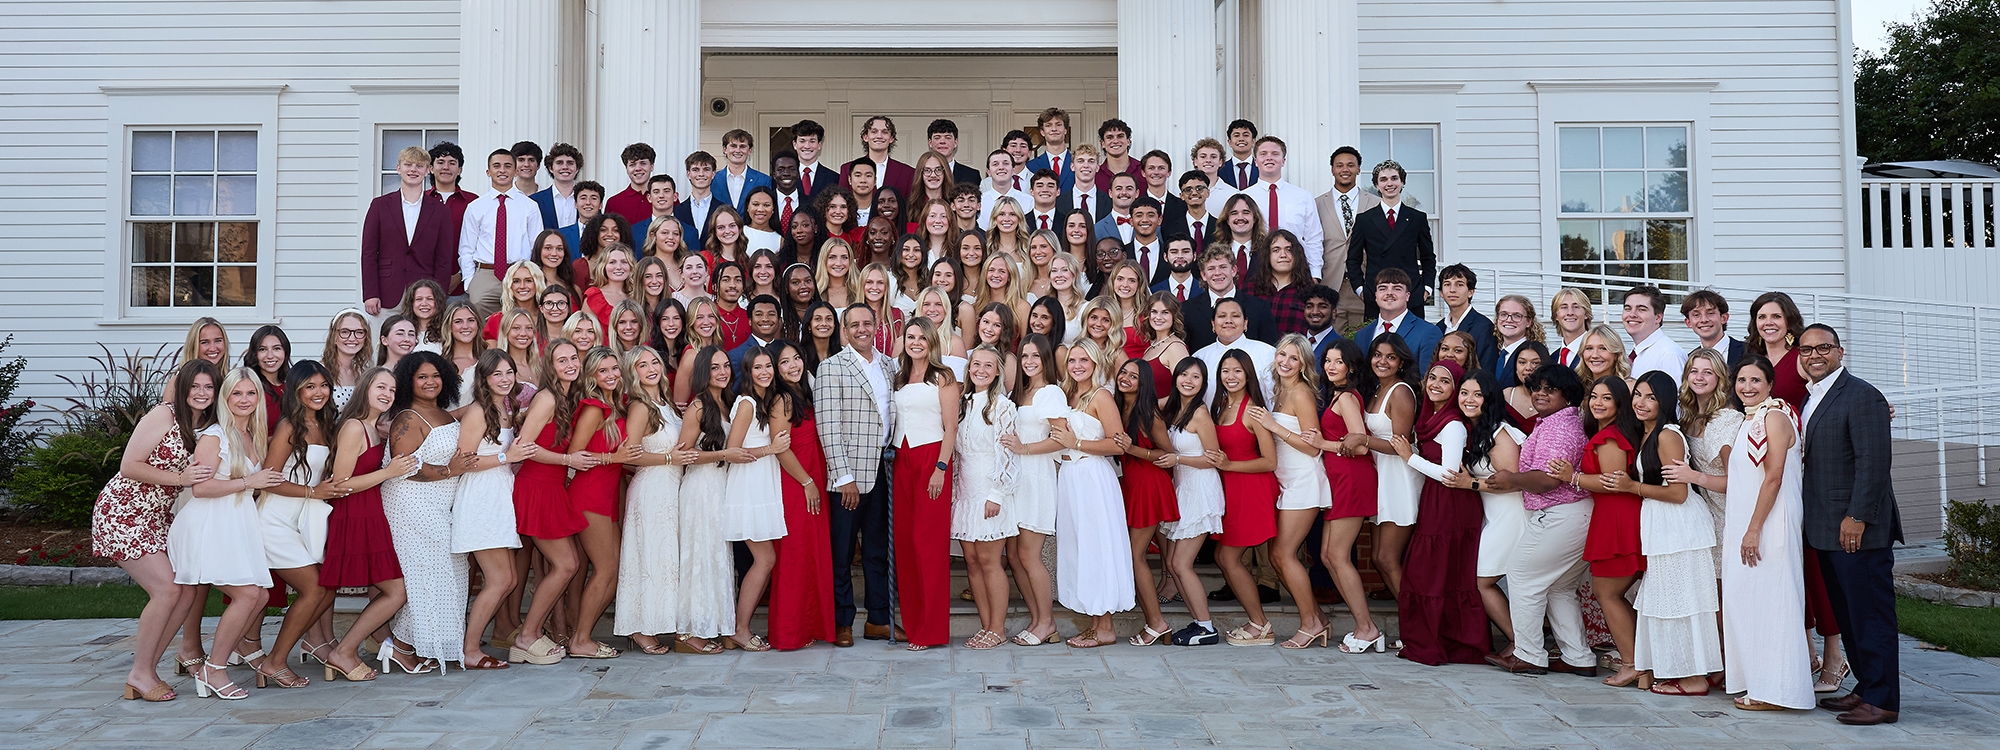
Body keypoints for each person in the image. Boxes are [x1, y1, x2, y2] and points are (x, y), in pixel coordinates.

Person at [1796, 325, 1903, 724]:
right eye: (1806, 349)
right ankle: (1866, 687)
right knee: (1851, 615)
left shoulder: (1862, 395)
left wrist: (1857, 517)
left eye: (1823, 348)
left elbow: (1874, 464)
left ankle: (1884, 699)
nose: (1814, 355)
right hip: (1826, 528)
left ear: (1840, 352)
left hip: (1857, 530)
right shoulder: (1814, 397)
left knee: (1871, 615)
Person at [94, 361, 217, 701]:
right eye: (195, 387)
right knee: (167, 589)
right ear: (183, 388)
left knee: (187, 591)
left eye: (209, 388)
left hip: (157, 516)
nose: (202, 393)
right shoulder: (164, 415)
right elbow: (129, 465)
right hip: (123, 511)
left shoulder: (204, 423)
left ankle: (146, 668)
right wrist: (181, 479)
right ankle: (140, 672)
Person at [1483, 364, 1599, 677]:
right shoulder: (1562, 420)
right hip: (1575, 514)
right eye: (1536, 387)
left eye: (1550, 388)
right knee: (1559, 588)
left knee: (1521, 575)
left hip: (1560, 513)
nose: (1540, 393)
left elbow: (1549, 480)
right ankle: (1578, 658)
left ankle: (1529, 654)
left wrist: (1511, 477)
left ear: (1567, 394)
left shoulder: (1558, 426)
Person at [171, 368, 279, 700]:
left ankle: (220, 662)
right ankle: (213, 670)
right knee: (248, 595)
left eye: (251, 393)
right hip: (207, 524)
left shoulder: (252, 434)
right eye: (237, 394)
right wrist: (249, 483)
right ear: (225, 398)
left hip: (235, 522)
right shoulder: (214, 436)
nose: (244, 400)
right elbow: (201, 489)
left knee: (259, 596)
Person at [1618, 370, 1723, 697]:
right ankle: (1666, 669)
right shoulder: (1649, 433)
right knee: (1666, 600)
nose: (1642, 402)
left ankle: (1694, 678)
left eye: (1651, 396)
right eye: (1638, 395)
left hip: (1679, 525)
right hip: (1662, 524)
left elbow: (1678, 493)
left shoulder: (1666, 435)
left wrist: (1632, 486)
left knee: (1682, 600)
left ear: (1665, 401)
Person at [1721, 355, 1817, 711]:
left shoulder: (1774, 416)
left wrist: (1753, 529)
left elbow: (1774, 475)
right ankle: (1759, 681)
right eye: (1741, 380)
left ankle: (1778, 690)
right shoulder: (1752, 419)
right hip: (1749, 523)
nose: (1747, 387)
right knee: (1746, 600)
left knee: (1773, 602)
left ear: (1770, 384)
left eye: (1755, 381)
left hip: (1769, 524)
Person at [1386, 360, 1492, 665]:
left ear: (1455, 388)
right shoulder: (1430, 417)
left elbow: (1449, 474)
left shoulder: (1453, 425)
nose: (1435, 384)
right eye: (1432, 377)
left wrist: (1409, 457)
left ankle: (1451, 644)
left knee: (1436, 574)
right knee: (1430, 574)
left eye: (1445, 381)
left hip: (1452, 504)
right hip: (1436, 500)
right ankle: (1429, 640)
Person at [318, 367, 420, 682]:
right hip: (353, 513)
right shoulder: (353, 427)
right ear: (366, 388)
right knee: (395, 590)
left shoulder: (375, 427)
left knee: (386, 589)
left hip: (371, 512)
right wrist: (389, 472)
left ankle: (357, 645)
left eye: (391, 390)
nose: (387, 394)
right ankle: (344, 651)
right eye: (381, 387)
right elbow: (341, 483)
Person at [252, 361, 346, 688]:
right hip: (276, 519)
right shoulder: (289, 428)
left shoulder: (328, 423)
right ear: (296, 390)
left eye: (323, 385)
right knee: (315, 587)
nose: (319, 392)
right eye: (310, 386)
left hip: (305, 519)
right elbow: (268, 480)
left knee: (325, 586)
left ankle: (294, 650)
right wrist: (313, 491)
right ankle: (275, 662)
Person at [1548, 376, 1645, 686]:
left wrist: (1571, 477)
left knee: (1608, 593)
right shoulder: (1606, 433)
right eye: (1594, 396)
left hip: (1618, 519)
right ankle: (1640, 659)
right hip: (1610, 517)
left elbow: (1613, 483)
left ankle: (1632, 663)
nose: (1597, 403)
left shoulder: (1611, 438)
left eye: (1606, 398)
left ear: (1619, 403)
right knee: (1611, 594)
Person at [813, 304, 899, 647]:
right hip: (848, 476)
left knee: (878, 550)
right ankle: (842, 621)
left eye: (867, 323)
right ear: (844, 331)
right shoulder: (831, 367)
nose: (862, 329)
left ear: (876, 326)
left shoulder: (889, 365)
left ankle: (879, 619)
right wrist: (842, 476)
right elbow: (828, 427)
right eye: (854, 325)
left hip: (883, 470)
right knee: (842, 552)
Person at [379, 352, 467, 671]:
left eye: (435, 376)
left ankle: (424, 644)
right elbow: (403, 467)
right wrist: (449, 470)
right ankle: (401, 646)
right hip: (410, 502)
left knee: (447, 572)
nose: (430, 382)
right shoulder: (407, 418)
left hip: (440, 503)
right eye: (422, 377)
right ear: (408, 382)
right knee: (425, 575)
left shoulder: (443, 413)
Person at [1249, 335, 1338, 648]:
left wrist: (1275, 428)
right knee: (1279, 556)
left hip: (1303, 479)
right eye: (1281, 355)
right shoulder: (1278, 390)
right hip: (1284, 480)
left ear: (1304, 365)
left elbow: (1313, 448)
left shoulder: (1301, 393)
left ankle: (1310, 623)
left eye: (1293, 358)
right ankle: (1319, 620)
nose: (1285, 363)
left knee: (1283, 554)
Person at [507, 340, 589, 663]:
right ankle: (527, 636)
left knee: (567, 564)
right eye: (561, 360)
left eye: (573, 358)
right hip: (536, 487)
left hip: (552, 487)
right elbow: (524, 447)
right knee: (566, 564)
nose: (570, 364)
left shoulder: (568, 397)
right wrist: (569, 460)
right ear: (550, 367)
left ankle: (530, 633)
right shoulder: (546, 398)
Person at [451, 350, 533, 669]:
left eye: (509, 372)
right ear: (484, 379)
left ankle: (470, 644)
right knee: (499, 580)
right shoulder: (477, 412)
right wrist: (506, 458)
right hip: (480, 498)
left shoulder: (506, 408)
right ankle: (470, 650)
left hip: (500, 496)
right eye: (496, 374)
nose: (504, 379)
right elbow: (464, 461)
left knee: (509, 579)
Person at [1049, 339, 1132, 647]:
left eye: (1084, 360)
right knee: (1079, 548)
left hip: (1094, 475)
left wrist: (1077, 444)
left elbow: (1117, 443)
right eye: (1072, 360)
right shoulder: (1067, 394)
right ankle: (1094, 622)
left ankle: (1106, 628)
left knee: (1098, 547)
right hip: (1070, 477)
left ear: (1096, 363)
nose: (1077, 366)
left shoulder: (1102, 396)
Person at [1437, 369, 1525, 656]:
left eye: (1478, 394)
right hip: (1496, 515)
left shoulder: (1499, 431)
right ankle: (1522, 641)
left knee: (1481, 580)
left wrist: (1470, 483)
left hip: (1513, 515)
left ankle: (1520, 642)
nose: (1469, 399)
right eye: (1464, 393)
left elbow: (1511, 480)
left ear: (1490, 398)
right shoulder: (1475, 429)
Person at [886, 318, 960, 651]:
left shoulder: (943, 377)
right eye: (910, 336)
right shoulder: (899, 377)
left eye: (922, 337)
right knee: (904, 544)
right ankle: (915, 624)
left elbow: (950, 429)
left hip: (931, 460)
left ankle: (932, 631)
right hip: (902, 461)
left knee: (927, 545)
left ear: (932, 341)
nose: (916, 342)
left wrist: (941, 468)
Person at [613, 344, 687, 654]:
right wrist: (670, 458)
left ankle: (657, 621)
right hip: (651, 489)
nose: (651, 368)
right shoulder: (640, 406)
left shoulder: (666, 403)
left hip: (672, 488)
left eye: (654, 361)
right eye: (642, 365)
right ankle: (640, 628)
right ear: (633, 373)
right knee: (648, 557)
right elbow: (631, 454)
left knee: (665, 558)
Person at [766, 340, 836, 651]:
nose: (794, 365)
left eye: (796, 357)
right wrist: (807, 482)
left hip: (813, 478)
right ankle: (789, 632)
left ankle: (810, 626)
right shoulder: (782, 399)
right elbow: (781, 450)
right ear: (775, 369)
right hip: (797, 483)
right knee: (794, 556)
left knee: (811, 554)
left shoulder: (802, 392)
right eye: (785, 362)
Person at [1209, 349, 1281, 646]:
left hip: (1251, 488)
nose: (1231, 376)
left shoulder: (1253, 410)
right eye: (1226, 370)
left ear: (1248, 374)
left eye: (1237, 371)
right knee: (1224, 557)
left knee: (1228, 556)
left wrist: (1229, 465)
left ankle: (1260, 624)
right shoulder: (1222, 405)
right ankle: (1258, 621)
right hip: (1230, 489)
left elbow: (1270, 461)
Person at [723, 345, 793, 652]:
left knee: (766, 559)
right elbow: (732, 451)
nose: (765, 372)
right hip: (747, 486)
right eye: (758, 368)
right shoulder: (749, 403)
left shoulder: (765, 401)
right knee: (765, 559)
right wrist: (770, 450)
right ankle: (740, 629)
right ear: (748, 373)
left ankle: (738, 627)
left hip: (761, 483)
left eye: (769, 366)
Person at [675, 346, 744, 654]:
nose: (722, 371)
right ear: (704, 371)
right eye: (715, 367)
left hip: (723, 488)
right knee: (700, 558)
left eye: (726, 366)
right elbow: (682, 455)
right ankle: (689, 632)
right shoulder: (698, 407)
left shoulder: (729, 402)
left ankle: (715, 625)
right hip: (701, 489)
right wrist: (723, 454)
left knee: (717, 558)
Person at [1001, 334, 1065, 646]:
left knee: (1029, 554)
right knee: (1014, 554)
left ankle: (1047, 621)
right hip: (1017, 480)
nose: (1028, 361)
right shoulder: (1022, 392)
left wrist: (1024, 448)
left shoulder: (1049, 393)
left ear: (1046, 360)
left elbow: (1062, 437)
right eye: (1024, 355)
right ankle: (1037, 618)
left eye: (1035, 356)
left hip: (1037, 478)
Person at [1158, 358, 1225, 645]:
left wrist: (1177, 458)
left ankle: (1207, 627)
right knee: (1173, 564)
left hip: (1200, 489)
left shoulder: (1199, 413)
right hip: (1182, 488)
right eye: (1183, 374)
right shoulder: (1173, 407)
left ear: (1203, 383)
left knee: (1182, 564)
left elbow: (1213, 458)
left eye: (1195, 377)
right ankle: (1198, 621)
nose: (1188, 380)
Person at [1113, 358, 1178, 646]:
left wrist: (1134, 449)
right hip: (1131, 483)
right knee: (1131, 556)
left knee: (1134, 556)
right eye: (1123, 372)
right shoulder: (1118, 407)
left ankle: (1157, 622)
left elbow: (1167, 456)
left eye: (1134, 376)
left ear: (1144, 383)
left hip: (1149, 484)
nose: (1126, 378)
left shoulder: (1150, 413)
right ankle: (1154, 621)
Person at [1356, 333, 1422, 599]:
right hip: (1380, 478)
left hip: (1398, 479)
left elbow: (1400, 444)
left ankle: (1417, 627)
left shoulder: (1401, 392)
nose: (1382, 361)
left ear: (1401, 363)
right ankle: (1411, 625)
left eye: (1391, 357)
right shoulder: (1374, 389)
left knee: (1386, 558)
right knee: (1376, 556)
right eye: (1378, 355)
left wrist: (1363, 439)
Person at [364, 145, 455, 317]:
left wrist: (439, 295)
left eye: (419, 166)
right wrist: (370, 293)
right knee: (384, 342)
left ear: (428, 171)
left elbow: (444, 257)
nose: (413, 170)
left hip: (425, 294)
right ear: (398, 168)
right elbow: (368, 253)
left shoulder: (440, 210)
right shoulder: (379, 206)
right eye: (408, 165)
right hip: (386, 293)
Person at [1344, 159, 1436, 319]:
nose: (1389, 183)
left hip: (1411, 296)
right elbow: (1353, 260)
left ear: (1402, 182)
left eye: (1394, 178)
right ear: (1377, 185)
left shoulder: (1417, 218)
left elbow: (1428, 258)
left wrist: (1426, 288)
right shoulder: (1364, 219)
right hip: (1376, 296)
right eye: (1383, 179)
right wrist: (1361, 289)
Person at [460, 150, 545, 319]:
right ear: (488, 171)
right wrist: (469, 282)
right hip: (486, 273)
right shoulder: (476, 207)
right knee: (481, 327)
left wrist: (532, 277)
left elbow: (537, 245)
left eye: (508, 166)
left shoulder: (530, 206)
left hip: (519, 273)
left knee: (520, 321)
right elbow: (466, 248)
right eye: (496, 166)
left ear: (516, 171)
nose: (502, 170)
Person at [1236, 137, 1326, 280]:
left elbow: (1313, 237)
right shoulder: (1243, 198)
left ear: (1283, 160)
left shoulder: (1302, 196)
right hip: (1255, 270)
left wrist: (1315, 273)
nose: (1269, 158)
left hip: (1295, 269)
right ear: (1255, 161)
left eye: (1275, 154)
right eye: (1263, 154)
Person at [1315, 146, 1378, 328]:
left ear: (1359, 169)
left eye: (1351, 165)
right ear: (1332, 169)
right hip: (1330, 281)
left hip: (1364, 284)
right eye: (1339, 165)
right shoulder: (1316, 204)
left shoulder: (1375, 203)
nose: (1345, 170)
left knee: (1363, 343)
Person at [1184, 248, 1278, 352]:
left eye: (1223, 267)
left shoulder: (1260, 307)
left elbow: (1269, 350)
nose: (1217, 273)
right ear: (1203, 275)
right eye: (1211, 269)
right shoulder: (1187, 310)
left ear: (1233, 270)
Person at [1354, 270, 1443, 373]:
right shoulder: (1362, 335)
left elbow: (1426, 378)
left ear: (1407, 296)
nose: (1389, 293)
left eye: (1397, 288)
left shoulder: (1428, 332)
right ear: (1376, 296)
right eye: (1383, 288)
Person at [1248, 231, 1312, 335]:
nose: (1283, 255)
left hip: (1295, 350)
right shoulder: (1249, 290)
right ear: (1267, 256)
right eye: (1276, 250)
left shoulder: (1310, 292)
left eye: (1289, 249)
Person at [1623, 285, 1688, 385]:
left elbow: (1677, 399)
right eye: (1628, 308)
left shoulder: (1669, 355)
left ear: (1658, 317)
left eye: (1641, 309)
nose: (1632, 314)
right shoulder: (1634, 354)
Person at [1436, 265, 1498, 367]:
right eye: (1447, 284)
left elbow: (1486, 368)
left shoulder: (1484, 327)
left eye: (1459, 285)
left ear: (1470, 292)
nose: (1452, 290)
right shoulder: (1439, 327)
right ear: (1441, 293)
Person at [425, 141, 477, 255]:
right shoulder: (420, 200)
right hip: (424, 271)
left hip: (462, 271)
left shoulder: (474, 201)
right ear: (431, 168)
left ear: (459, 170)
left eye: (452, 163)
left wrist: (462, 272)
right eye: (440, 162)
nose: (446, 167)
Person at [848, 115, 915, 200]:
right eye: (874, 131)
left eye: (885, 132)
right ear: (865, 137)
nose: (879, 136)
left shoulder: (908, 173)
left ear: (891, 138)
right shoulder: (847, 169)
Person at [1682, 289, 1745, 369]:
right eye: (1696, 315)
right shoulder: (1689, 360)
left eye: (1710, 313)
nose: (1704, 320)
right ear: (1688, 322)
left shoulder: (1748, 352)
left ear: (1724, 318)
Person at [1492, 294, 1545, 386]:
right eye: (1503, 314)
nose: (1509, 320)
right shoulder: (1494, 352)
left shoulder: (1535, 355)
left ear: (1529, 322)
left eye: (1517, 316)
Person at [714, 129, 773, 210]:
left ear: (750, 150)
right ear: (724, 149)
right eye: (733, 146)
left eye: (742, 146)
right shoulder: (713, 179)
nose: (738, 150)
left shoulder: (763, 180)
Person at [530, 143, 582, 232]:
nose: (565, 167)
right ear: (551, 168)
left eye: (570, 163)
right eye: (559, 163)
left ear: (577, 169)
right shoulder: (535, 201)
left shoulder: (588, 200)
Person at [677, 152, 723, 247]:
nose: (701, 174)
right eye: (696, 170)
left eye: (706, 169)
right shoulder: (676, 211)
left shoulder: (725, 210)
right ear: (688, 174)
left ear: (713, 174)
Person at [1025, 107, 1075, 190]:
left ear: (1065, 130)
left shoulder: (1078, 163)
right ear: (1042, 132)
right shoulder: (1031, 166)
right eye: (1048, 125)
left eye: (1058, 125)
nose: (1054, 129)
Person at [605, 143, 655, 225]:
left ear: (652, 166)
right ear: (626, 169)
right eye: (632, 164)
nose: (638, 168)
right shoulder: (614, 203)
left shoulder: (666, 199)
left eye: (643, 163)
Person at [1059, 144, 1112, 222]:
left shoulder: (1109, 202)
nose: (1086, 165)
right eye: (1080, 161)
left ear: (1097, 167)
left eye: (1091, 161)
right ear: (1072, 167)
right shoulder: (1059, 202)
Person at [790, 120, 839, 200]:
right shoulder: (784, 176)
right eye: (802, 141)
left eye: (812, 141)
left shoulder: (833, 178)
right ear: (795, 144)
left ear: (819, 145)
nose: (807, 146)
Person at [1092, 118, 1143, 193]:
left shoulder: (1143, 171)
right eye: (1110, 137)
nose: (1115, 141)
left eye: (1120, 136)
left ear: (1128, 141)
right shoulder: (1095, 175)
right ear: (1103, 144)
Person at [1549, 287, 1594, 369]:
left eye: (1576, 307)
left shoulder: (1595, 353)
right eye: (1564, 307)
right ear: (1556, 315)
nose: (1570, 313)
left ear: (1586, 314)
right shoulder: (1552, 359)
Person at [556, 181, 606, 254]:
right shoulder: (561, 235)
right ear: (575, 204)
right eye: (583, 198)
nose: (588, 202)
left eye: (594, 198)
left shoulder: (609, 234)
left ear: (600, 205)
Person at [1093, 172, 1140, 245]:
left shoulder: (1150, 226)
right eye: (1119, 188)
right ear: (1110, 193)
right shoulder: (1097, 229)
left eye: (1129, 188)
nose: (1124, 192)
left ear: (1137, 193)